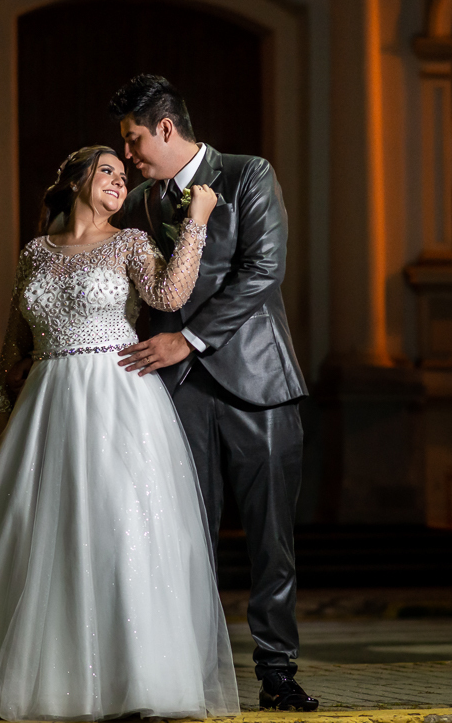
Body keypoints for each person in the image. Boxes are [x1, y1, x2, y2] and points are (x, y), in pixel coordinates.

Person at [0, 145, 239, 721]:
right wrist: (3, 419)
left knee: (116, 527)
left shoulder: (130, 242)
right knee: (35, 531)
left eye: (122, 175)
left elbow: (168, 296)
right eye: (107, 172)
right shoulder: (34, 253)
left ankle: (132, 677)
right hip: (45, 404)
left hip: (117, 397)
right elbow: (13, 348)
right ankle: (36, 676)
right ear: (77, 180)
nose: (118, 182)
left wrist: (197, 222)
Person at [109, 74, 315, 711]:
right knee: (181, 539)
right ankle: (185, 677)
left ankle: (277, 674)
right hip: (177, 393)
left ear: (166, 128)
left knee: (269, 542)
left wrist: (187, 339)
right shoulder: (142, 202)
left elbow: (262, 272)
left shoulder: (248, 174)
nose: (129, 154)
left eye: (134, 138)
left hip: (260, 384)